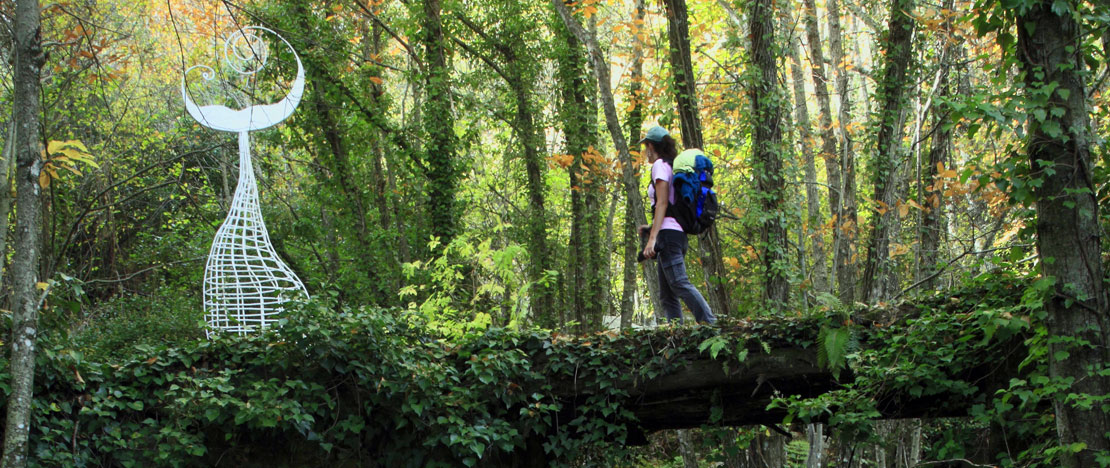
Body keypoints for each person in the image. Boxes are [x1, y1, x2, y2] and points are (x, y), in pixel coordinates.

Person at [638, 126, 716, 324]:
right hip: (675, 234)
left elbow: (662, 203)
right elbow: (670, 206)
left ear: (652, 147)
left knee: (679, 282)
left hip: (668, 236)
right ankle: (675, 333)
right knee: (667, 294)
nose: (645, 151)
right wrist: (650, 228)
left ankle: (710, 323)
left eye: (646, 146)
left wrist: (653, 239)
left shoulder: (659, 166)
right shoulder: (672, 166)